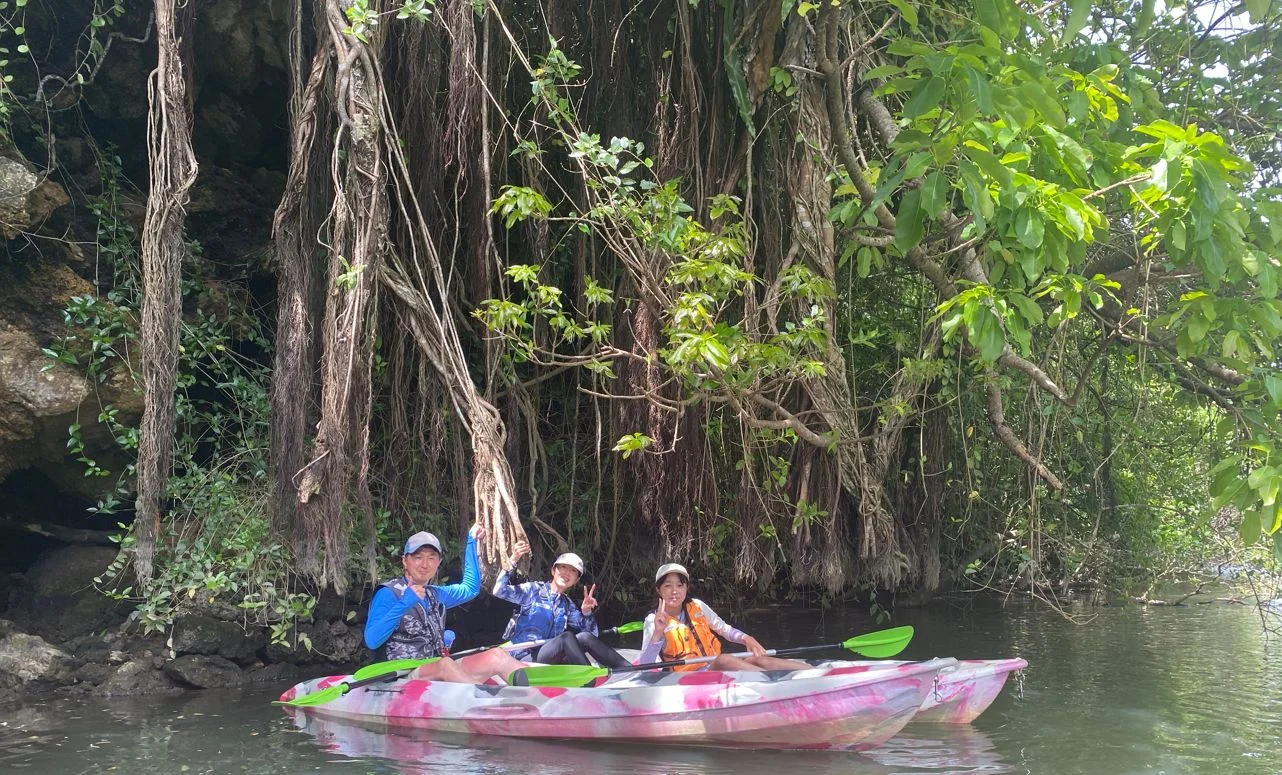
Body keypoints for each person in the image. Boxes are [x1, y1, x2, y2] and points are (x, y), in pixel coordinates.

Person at [364, 524, 526, 683]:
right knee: (446, 665)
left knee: (496, 656)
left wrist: (472, 541)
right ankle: (481, 702)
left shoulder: (435, 593)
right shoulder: (388, 593)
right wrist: (404, 603)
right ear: (405, 561)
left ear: (438, 562)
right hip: (400, 675)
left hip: (433, 667)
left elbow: (470, 588)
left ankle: (543, 691)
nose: (425, 564)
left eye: (431, 558)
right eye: (418, 557)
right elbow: (371, 640)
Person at [639, 562, 807, 671]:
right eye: (667, 586)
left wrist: (746, 638)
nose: (674, 591)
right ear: (658, 590)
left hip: (711, 667)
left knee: (759, 659)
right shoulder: (652, 621)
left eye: (679, 585)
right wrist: (657, 634)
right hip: (685, 679)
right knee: (723, 660)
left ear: (686, 588)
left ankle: (811, 671)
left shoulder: (697, 605)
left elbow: (723, 628)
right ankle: (774, 682)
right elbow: (645, 666)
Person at [491, 539, 632, 669]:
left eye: (573, 571)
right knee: (566, 637)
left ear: (576, 580)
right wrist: (513, 560)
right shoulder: (533, 590)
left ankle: (630, 669)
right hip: (523, 658)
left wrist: (586, 612)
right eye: (563, 567)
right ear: (553, 571)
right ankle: (588, 677)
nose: (566, 573)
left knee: (584, 637)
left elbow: (592, 634)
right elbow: (499, 591)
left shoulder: (566, 604)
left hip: (549, 656)